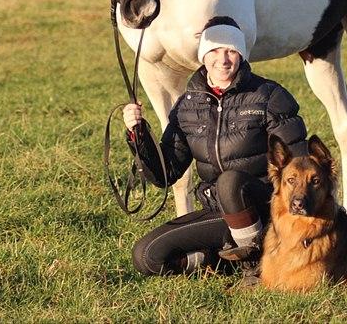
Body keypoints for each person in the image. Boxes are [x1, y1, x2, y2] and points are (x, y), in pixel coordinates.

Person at [123, 16, 307, 284]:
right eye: (215, 51)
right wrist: (138, 135)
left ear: (242, 55)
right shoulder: (187, 105)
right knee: (147, 256)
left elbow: (299, 167)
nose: (223, 60)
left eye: (231, 50)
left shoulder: (269, 96)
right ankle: (220, 261)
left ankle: (254, 266)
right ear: (203, 55)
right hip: (219, 210)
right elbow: (165, 173)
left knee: (230, 181)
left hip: (266, 208)